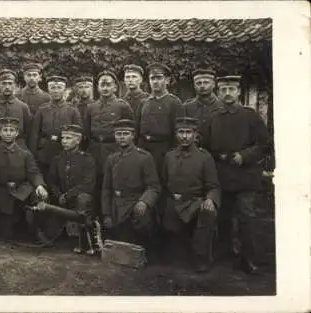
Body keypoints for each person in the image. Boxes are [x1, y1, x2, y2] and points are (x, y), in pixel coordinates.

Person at [203, 75, 269, 275]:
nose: (227, 93)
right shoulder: (213, 117)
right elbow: (206, 146)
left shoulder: (250, 116)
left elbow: (264, 144)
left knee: (245, 217)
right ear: (218, 91)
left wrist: (244, 155)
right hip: (222, 176)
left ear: (239, 91)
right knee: (222, 217)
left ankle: (248, 259)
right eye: (223, 89)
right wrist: (218, 155)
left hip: (245, 177)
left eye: (231, 89)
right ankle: (226, 256)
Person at [162, 117, 220, 273]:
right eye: (181, 132)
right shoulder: (169, 156)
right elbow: (164, 182)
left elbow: (213, 186)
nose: (185, 136)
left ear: (195, 135)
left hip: (195, 202)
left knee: (208, 212)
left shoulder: (204, 157)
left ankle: (202, 258)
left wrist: (209, 199)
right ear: (176, 135)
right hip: (174, 202)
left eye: (189, 132)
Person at [0, 117, 49, 242]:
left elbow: (33, 172)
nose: (8, 133)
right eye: (5, 130)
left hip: (21, 192)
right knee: (6, 235)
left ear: (17, 133)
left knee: (38, 197)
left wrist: (39, 185)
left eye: (12, 130)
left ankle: (37, 230)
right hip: (2, 194)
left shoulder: (25, 154)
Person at [102, 119, 161, 249]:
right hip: (117, 207)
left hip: (135, 204)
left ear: (133, 135)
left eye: (125, 133)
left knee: (140, 234)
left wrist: (144, 202)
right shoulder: (111, 159)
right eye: (118, 134)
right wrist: (106, 213)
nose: (121, 137)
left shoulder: (144, 157)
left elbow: (153, 187)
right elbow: (106, 189)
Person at [84, 70, 134, 217]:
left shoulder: (122, 106)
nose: (105, 88)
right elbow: (86, 132)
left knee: (114, 183)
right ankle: (95, 217)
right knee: (95, 184)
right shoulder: (91, 107)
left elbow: (131, 130)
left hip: (114, 149)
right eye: (102, 85)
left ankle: (113, 216)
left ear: (115, 87)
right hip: (94, 150)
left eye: (108, 85)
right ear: (97, 87)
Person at [47, 124, 97, 253]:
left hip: (79, 201)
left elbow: (88, 184)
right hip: (61, 200)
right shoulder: (57, 159)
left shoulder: (87, 159)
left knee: (83, 199)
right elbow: (52, 181)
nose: (64, 141)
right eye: (63, 138)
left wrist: (68, 195)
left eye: (68, 138)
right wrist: (58, 195)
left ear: (78, 140)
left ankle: (84, 240)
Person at [29, 75, 82, 176]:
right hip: (44, 152)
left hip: (64, 150)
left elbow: (78, 134)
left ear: (64, 90)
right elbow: (34, 134)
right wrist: (33, 154)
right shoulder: (42, 109)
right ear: (48, 90)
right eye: (53, 88)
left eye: (59, 88)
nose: (56, 91)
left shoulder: (72, 110)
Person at [135, 62, 182, 174]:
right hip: (143, 148)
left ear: (167, 80)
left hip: (163, 150)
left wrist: (173, 155)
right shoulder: (143, 103)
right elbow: (136, 129)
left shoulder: (174, 103)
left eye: (159, 78)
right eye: (152, 78)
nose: (155, 81)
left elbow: (178, 132)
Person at [181, 69, 223, 145]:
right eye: (198, 83)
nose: (202, 86)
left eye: (206, 82)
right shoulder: (187, 107)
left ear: (213, 84)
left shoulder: (223, 106)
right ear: (194, 85)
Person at [71, 75, 95, 150]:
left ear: (91, 88)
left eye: (87, 87)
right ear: (77, 89)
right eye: (81, 87)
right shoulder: (73, 107)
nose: (84, 90)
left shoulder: (96, 105)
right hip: (77, 141)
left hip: (92, 142)